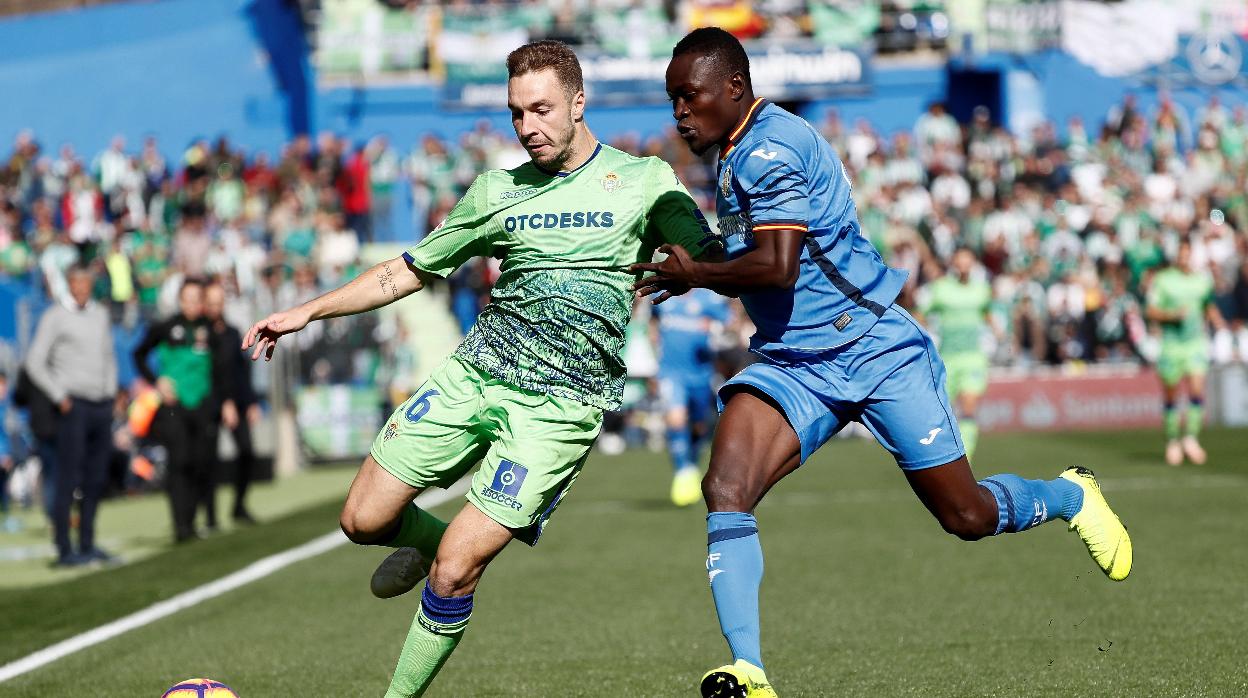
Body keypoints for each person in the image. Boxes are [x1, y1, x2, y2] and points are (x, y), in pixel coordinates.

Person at [633, 28, 1132, 698]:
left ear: (734, 88)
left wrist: (699, 272)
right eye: (672, 100)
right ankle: (749, 671)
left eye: (688, 97)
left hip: (870, 347)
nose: (679, 113)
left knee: (968, 517)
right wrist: (696, 257)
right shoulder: (736, 150)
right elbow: (761, 256)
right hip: (792, 360)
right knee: (725, 489)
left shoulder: (770, 149)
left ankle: (1070, 495)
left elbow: (778, 268)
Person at [243, 40, 719, 698]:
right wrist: (308, 310)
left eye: (542, 109)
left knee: (457, 570)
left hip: (559, 407)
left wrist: (698, 263)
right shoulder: (496, 191)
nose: (528, 127)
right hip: (474, 375)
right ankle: (427, 540)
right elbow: (404, 271)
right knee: (361, 520)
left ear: (579, 104)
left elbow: (702, 247)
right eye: (516, 112)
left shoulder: (643, 181)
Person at [24, 263, 119, 566]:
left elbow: (108, 356)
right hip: (73, 404)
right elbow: (34, 362)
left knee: (95, 477)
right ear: (68, 284)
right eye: (76, 283)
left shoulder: (100, 314)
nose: (81, 289)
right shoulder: (55, 317)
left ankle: (88, 543)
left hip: (101, 405)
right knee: (67, 478)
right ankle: (65, 548)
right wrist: (59, 395)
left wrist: (112, 391)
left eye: (86, 283)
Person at [134, 279, 233, 542]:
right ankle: (181, 526)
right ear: (180, 300)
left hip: (202, 405)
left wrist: (224, 401)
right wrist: (157, 381)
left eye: (196, 299)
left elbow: (222, 369)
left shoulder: (210, 329)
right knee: (179, 464)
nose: (192, 304)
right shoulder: (166, 327)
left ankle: (194, 519)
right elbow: (139, 354)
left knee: (200, 463)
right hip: (174, 407)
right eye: (187, 298)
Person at [1146, 238, 1226, 466]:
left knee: (1197, 388)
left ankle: (1190, 438)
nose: (1184, 258)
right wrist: (1171, 315)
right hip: (1171, 345)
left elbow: (1207, 305)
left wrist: (1218, 321)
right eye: (1181, 254)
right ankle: (1172, 440)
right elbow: (1151, 310)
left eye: (1187, 253)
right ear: (1176, 256)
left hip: (1195, 343)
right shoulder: (1163, 281)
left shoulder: (1202, 281)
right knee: (1171, 394)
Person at [915, 248, 999, 459]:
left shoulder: (982, 289)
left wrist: (998, 331)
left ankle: (966, 460)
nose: (964, 263)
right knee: (943, 414)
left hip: (973, 358)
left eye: (967, 259)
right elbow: (921, 314)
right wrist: (921, 338)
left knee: (969, 408)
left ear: (973, 262)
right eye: (960, 259)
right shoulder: (941, 289)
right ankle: (940, 458)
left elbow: (986, 312)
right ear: (954, 262)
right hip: (947, 359)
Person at [653, 287, 730, 505]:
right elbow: (652, 321)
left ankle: (691, 464)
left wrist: (715, 327)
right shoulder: (662, 296)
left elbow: (729, 322)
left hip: (701, 375)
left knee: (700, 426)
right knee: (675, 419)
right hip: (670, 372)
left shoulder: (709, 298)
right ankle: (683, 470)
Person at [204, 283, 259, 524]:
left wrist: (251, 402)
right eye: (211, 302)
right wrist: (224, 402)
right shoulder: (200, 333)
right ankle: (210, 516)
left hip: (236, 403)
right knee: (208, 460)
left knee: (247, 451)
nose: (216, 307)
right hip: (210, 404)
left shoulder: (232, 332)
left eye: (219, 302)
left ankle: (238, 505)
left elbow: (240, 371)